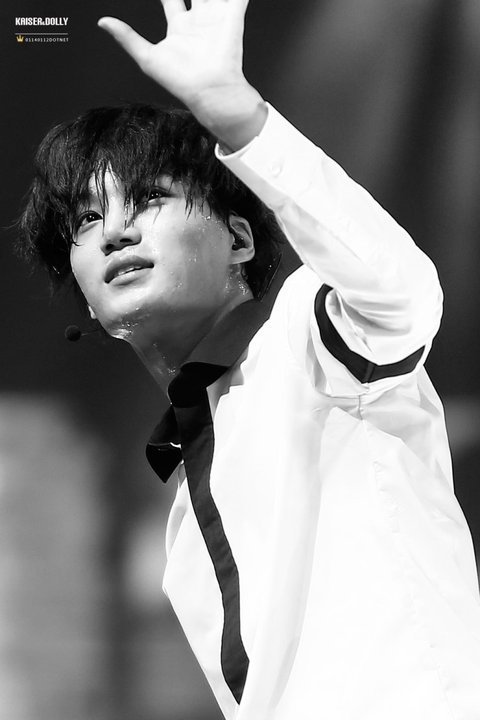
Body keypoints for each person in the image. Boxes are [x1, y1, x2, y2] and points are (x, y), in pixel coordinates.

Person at [19, 1, 480, 718]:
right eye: (86, 219)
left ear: (238, 240)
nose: (114, 232)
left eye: (148, 199)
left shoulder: (311, 340)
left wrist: (242, 122)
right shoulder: (181, 510)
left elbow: (400, 296)